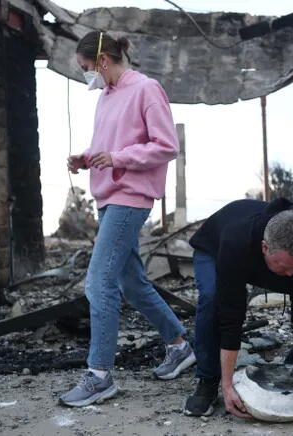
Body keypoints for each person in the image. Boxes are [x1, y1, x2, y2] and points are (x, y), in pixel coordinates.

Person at [59, 31, 195, 407]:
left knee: (98, 281)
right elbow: (112, 144)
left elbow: (167, 145)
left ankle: (100, 375)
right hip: (107, 196)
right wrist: (86, 158)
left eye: (87, 67)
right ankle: (180, 346)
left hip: (131, 197)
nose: (87, 75)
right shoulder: (106, 96)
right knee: (132, 283)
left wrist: (118, 159)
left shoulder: (146, 89)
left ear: (103, 60)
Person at [183, 198, 293, 417]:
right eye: (286, 268)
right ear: (265, 247)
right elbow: (231, 316)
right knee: (213, 297)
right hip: (215, 250)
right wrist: (227, 386)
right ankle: (208, 380)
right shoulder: (237, 241)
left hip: (268, 260)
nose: (291, 276)